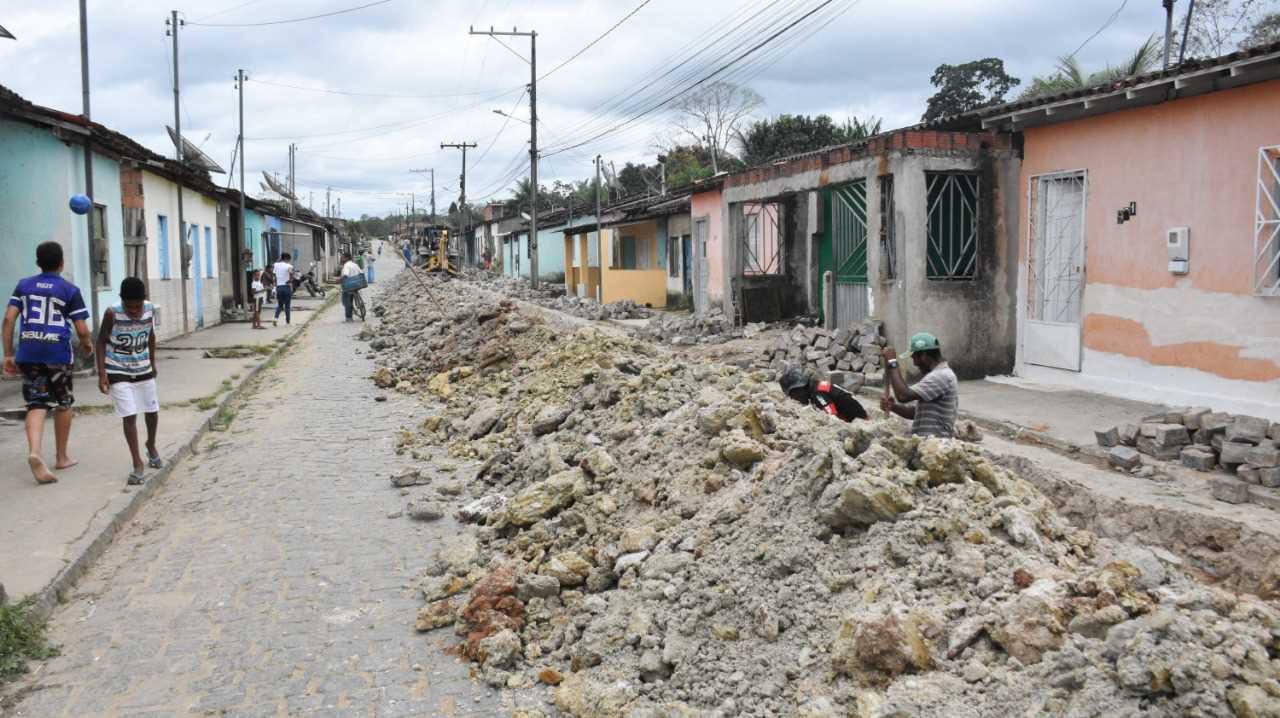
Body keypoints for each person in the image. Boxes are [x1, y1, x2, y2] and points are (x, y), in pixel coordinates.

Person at [2, 242, 94, 484]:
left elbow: (8, 319)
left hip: (29, 353)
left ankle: (34, 452)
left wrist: (8, 354)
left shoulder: (23, 286)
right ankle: (61, 457)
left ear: (38, 262)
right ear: (62, 263)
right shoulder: (69, 290)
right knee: (63, 403)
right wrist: (87, 346)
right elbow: (82, 328)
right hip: (57, 356)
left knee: (36, 403)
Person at [96, 277, 161, 485]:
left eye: (137, 306)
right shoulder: (112, 313)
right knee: (129, 415)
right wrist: (102, 374)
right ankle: (137, 464)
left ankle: (151, 445)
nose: (134, 311)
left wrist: (152, 362)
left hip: (143, 368)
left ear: (144, 301)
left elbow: (151, 336)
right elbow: (101, 341)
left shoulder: (150, 309)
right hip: (118, 370)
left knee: (152, 412)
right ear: (122, 301)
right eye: (129, 306)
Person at [880, 331, 959, 438]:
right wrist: (893, 407)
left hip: (936, 445)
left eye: (914, 358)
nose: (915, 363)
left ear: (924, 355)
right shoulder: (937, 375)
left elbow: (903, 396)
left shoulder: (941, 376)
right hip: (928, 444)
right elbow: (915, 413)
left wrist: (892, 362)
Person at [778, 364, 867, 422]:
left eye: (792, 395)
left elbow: (832, 416)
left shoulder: (817, 394)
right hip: (858, 417)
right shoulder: (817, 385)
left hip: (859, 422)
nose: (793, 398)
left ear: (799, 389)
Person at [339, 252, 364, 322]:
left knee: (346, 301)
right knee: (350, 299)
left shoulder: (346, 265)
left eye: (342, 257)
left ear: (346, 258)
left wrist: (339, 279)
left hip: (349, 286)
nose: (341, 259)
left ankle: (349, 318)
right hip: (357, 284)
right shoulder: (354, 264)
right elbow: (361, 273)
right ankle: (352, 308)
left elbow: (345, 275)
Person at [272, 252, 294, 325]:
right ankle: (288, 322)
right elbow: (291, 272)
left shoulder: (275, 265)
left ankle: (275, 318)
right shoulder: (289, 266)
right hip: (286, 287)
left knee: (280, 305)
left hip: (279, 287)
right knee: (287, 306)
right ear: (287, 259)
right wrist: (290, 280)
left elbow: (274, 276)